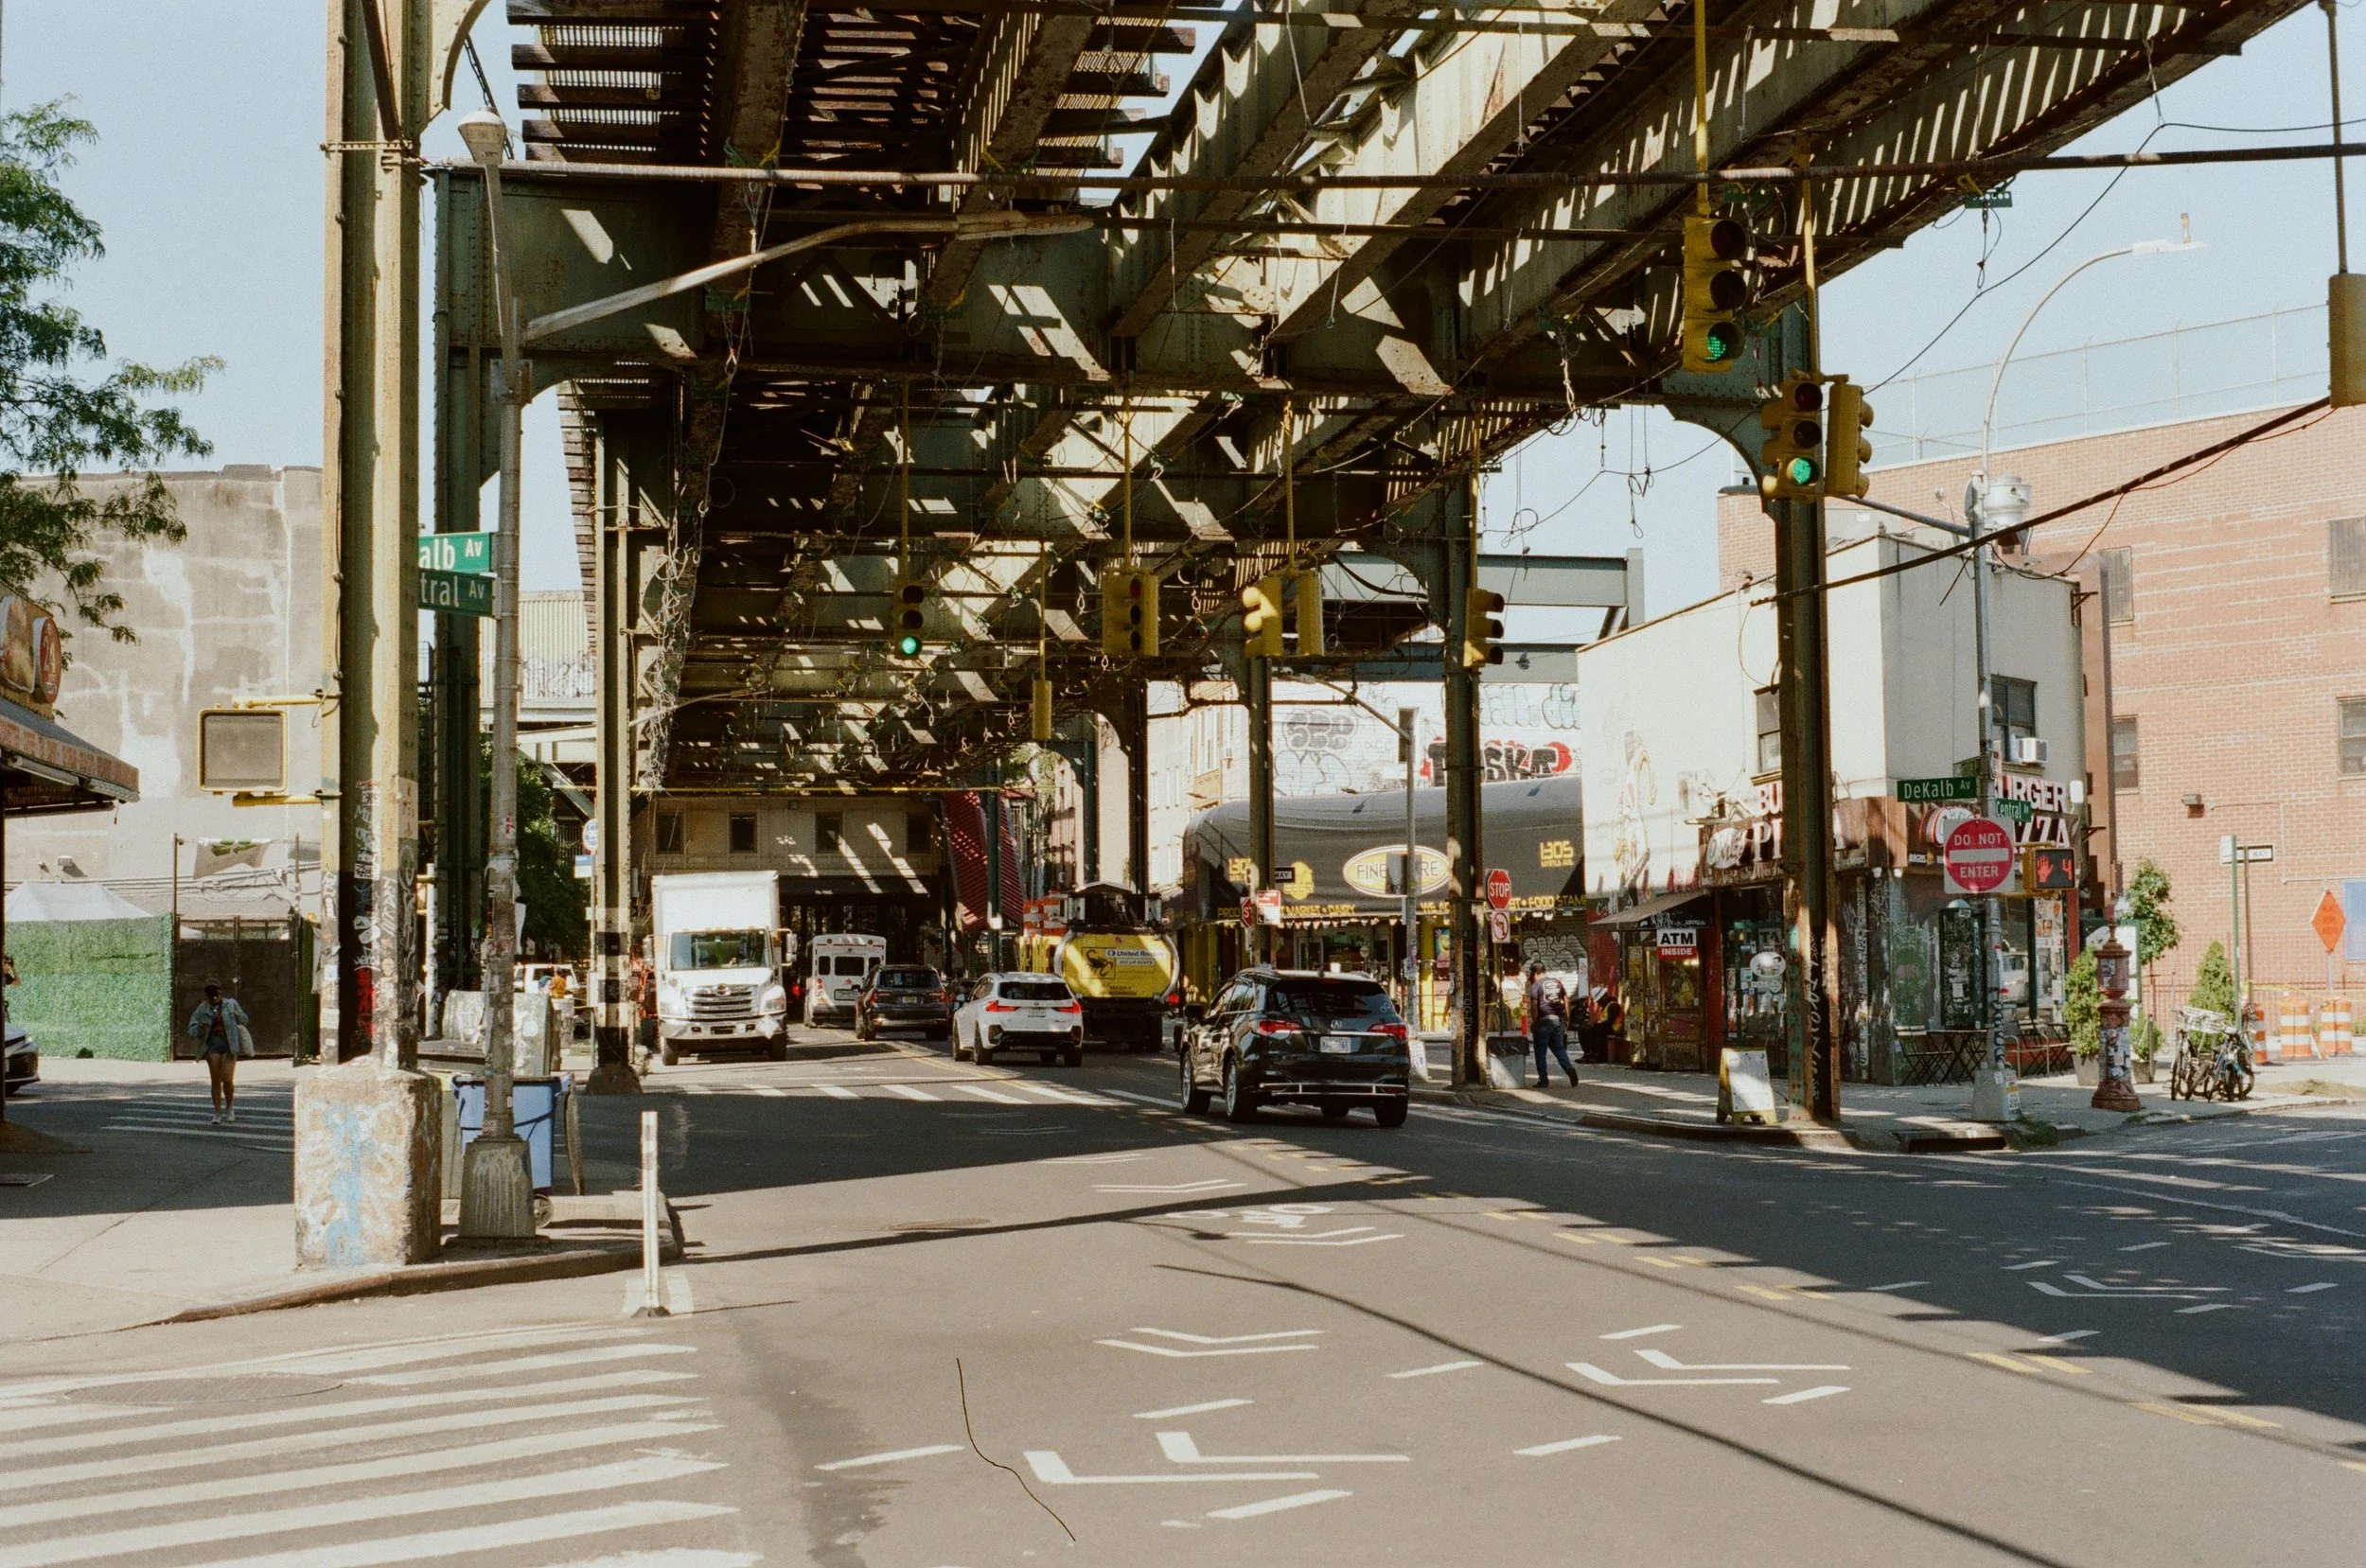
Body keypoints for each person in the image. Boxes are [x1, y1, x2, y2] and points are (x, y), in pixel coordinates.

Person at [185, 982, 250, 1125]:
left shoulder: (231, 1004)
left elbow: (244, 1020)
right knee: (215, 1080)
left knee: (227, 1079)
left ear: (220, 993)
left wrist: (237, 1014)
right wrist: (200, 1027)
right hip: (212, 1046)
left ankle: (230, 1107)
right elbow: (191, 1029)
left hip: (229, 1045)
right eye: (211, 997)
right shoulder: (202, 1008)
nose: (214, 999)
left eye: (216, 996)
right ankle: (217, 1112)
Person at [1526, 960, 1577, 1088]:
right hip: (1558, 1020)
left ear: (1536, 973)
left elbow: (1533, 1006)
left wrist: (1535, 1021)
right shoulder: (1557, 982)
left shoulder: (1536, 985)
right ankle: (1569, 1068)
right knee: (1559, 1048)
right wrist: (1567, 1018)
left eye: (1532, 974)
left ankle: (1543, 1080)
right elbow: (1566, 999)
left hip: (1544, 1021)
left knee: (1540, 1052)